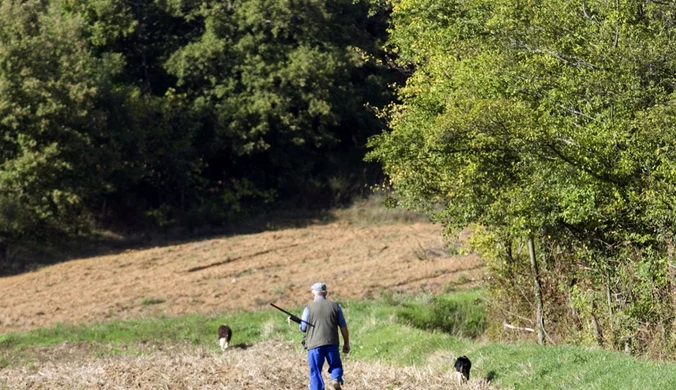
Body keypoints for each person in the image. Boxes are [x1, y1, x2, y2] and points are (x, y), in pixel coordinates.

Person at [298, 282, 350, 390]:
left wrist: (299, 324)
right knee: (335, 364)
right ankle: (335, 378)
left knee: (315, 371)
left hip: (314, 345)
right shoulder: (335, 306)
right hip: (332, 343)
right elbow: (343, 326)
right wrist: (346, 342)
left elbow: (303, 327)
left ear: (313, 293)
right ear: (326, 293)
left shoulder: (308, 308)